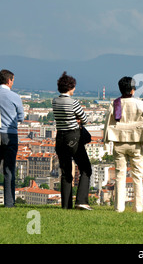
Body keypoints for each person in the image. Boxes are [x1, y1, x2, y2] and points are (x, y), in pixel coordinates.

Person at [103, 76, 143, 213]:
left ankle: (119, 207)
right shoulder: (140, 104)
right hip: (136, 143)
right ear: (132, 90)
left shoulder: (115, 103)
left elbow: (107, 124)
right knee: (137, 176)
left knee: (119, 175)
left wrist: (106, 142)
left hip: (119, 142)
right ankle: (138, 208)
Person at [52, 71, 92, 210]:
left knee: (66, 172)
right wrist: (77, 119)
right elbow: (85, 120)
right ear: (70, 87)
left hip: (60, 137)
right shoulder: (73, 102)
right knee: (85, 168)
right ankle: (81, 200)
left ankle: (66, 206)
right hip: (73, 137)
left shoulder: (55, 101)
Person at [0, 70, 24, 208]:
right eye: (13, 80)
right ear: (9, 80)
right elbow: (21, 117)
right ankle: (9, 203)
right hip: (10, 135)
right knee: (9, 169)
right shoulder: (15, 97)